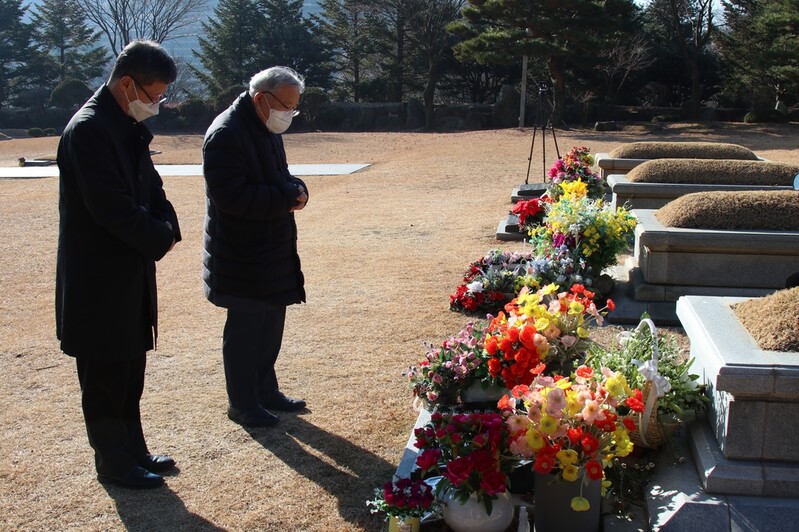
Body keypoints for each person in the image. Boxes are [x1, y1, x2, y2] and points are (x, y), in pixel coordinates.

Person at [55, 40, 181, 489]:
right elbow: (111, 210)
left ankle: (134, 448)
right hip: (98, 278)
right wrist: (158, 236)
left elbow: (152, 190)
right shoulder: (89, 130)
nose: (156, 104)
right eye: (154, 95)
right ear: (127, 84)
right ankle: (113, 460)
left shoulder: (124, 123)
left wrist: (168, 227)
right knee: (106, 373)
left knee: (130, 367)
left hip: (128, 271)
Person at [202, 66, 308, 428]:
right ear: (262, 99)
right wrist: (284, 195)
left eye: (295, 108)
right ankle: (242, 403)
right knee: (246, 331)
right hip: (240, 254)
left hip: (271, 249)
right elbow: (231, 196)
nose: (289, 114)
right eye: (286, 106)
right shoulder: (226, 134)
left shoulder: (265, 126)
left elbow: (279, 175)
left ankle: (266, 390)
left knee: (270, 325)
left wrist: (297, 187)